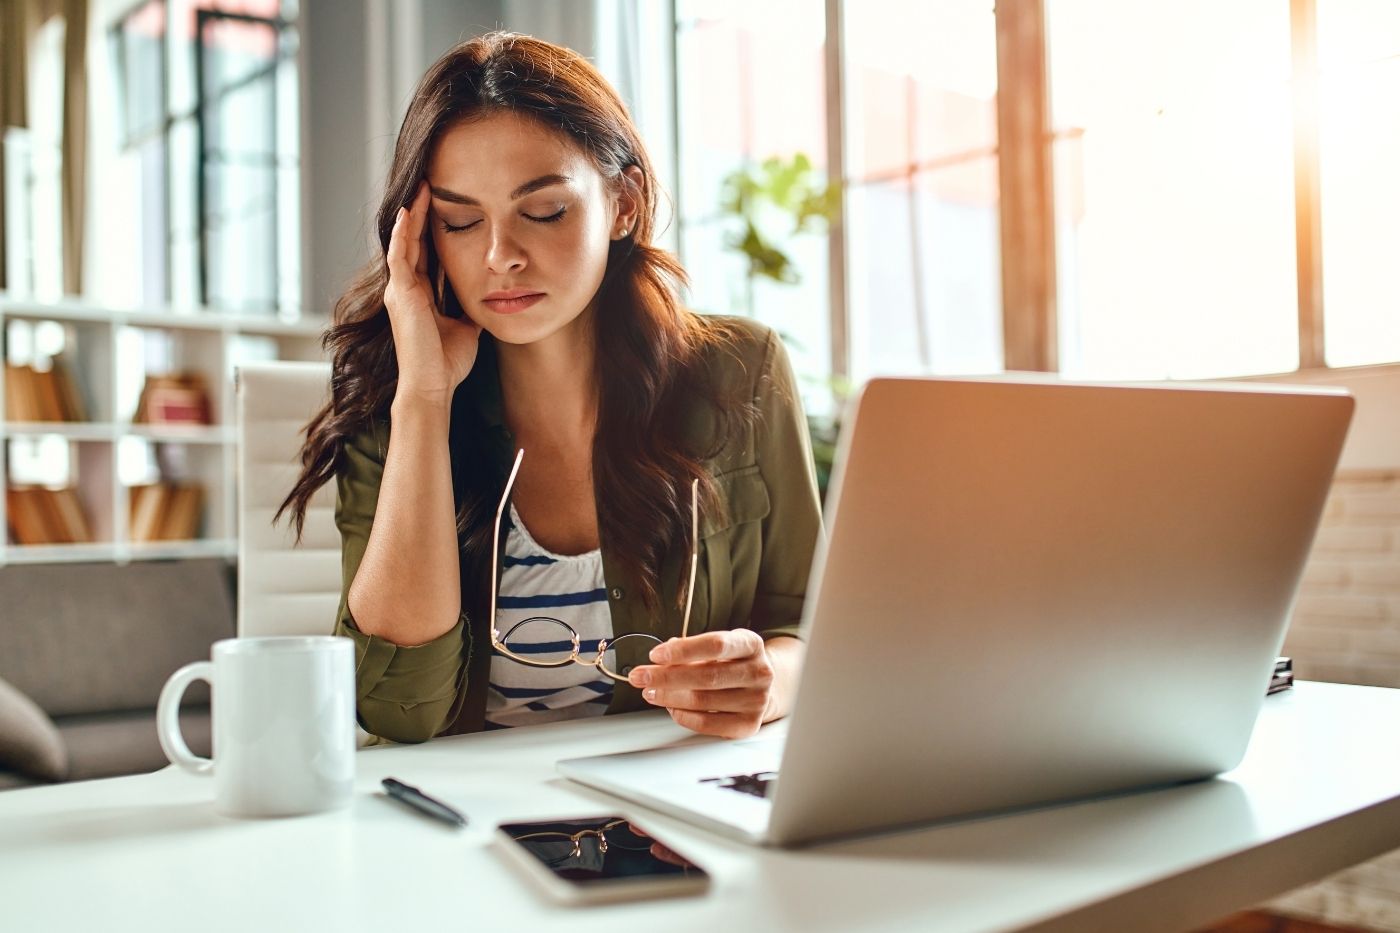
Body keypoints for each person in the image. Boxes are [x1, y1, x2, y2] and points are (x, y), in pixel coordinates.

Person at [278, 31, 822, 744]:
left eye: (543, 211)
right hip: (459, 805)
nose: (499, 256)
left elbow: (811, 622)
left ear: (624, 203)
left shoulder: (741, 370)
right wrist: (424, 401)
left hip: (663, 795)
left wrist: (770, 679)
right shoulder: (395, 400)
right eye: (460, 221)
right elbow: (398, 708)